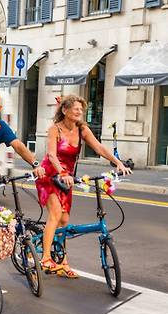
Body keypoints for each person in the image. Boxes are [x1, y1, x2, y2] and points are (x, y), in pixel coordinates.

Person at [35, 95, 132, 278]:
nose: (80, 112)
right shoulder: (54, 129)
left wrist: (117, 162)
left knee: (64, 221)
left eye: (81, 109)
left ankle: (62, 262)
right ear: (65, 110)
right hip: (50, 176)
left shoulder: (82, 129)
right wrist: (62, 172)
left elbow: (99, 148)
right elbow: (52, 155)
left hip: (67, 179)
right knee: (55, 213)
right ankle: (46, 258)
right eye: (76, 109)